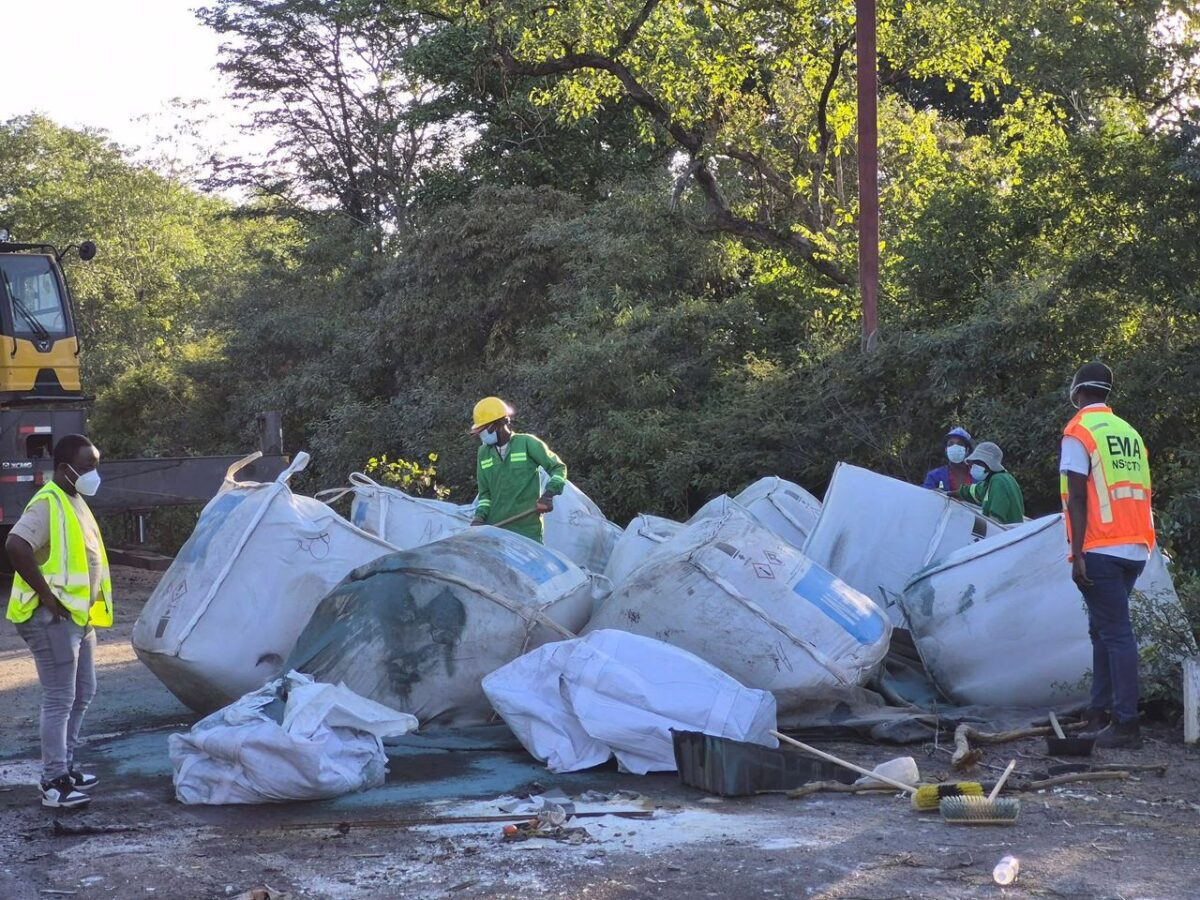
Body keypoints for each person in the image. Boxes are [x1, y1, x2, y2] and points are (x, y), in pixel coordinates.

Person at [5, 434, 112, 807]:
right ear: (65, 469)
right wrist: (49, 599)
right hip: (51, 619)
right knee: (60, 698)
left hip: (78, 618)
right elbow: (16, 546)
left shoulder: (74, 499)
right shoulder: (48, 503)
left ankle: (65, 765)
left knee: (83, 693)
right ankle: (53, 781)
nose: (93, 473)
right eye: (87, 467)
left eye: (96, 465)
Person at [1061, 362, 1154, 750]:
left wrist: (1077, 552)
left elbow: (1078, 494)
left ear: (1078, 392)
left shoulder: (1078, 431)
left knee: (1115, 634)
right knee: (1103, 631)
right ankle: (1099, 715)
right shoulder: (1128, 432)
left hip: (1101, 545)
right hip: (1136, 545)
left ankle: (1126, 725)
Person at [468, 397, 567, 544]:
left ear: (499, 423)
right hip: (496, 531)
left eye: (483, 430)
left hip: (527, 531)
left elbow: (558, 468)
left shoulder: (527, 443)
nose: (481, 435)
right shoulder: (483, 453)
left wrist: (548, 495)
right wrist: (479, 518)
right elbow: (485, 494)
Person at [953, 441, 1025, 524]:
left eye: (979, 463)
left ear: (990, 465)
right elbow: (976, 491)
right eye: (973, 463)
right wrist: (955, 493)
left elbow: (995, 519)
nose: (973, 466)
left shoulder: (998, 481)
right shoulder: (993, 480)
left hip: (1007, 533)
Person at [922, 426, 976, 492]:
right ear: (946, 450)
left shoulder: (978, 476)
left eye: (960, 444)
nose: (955, 446)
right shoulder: (934, 476)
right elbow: (925, 496)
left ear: (967, 450)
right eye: (951, 444)